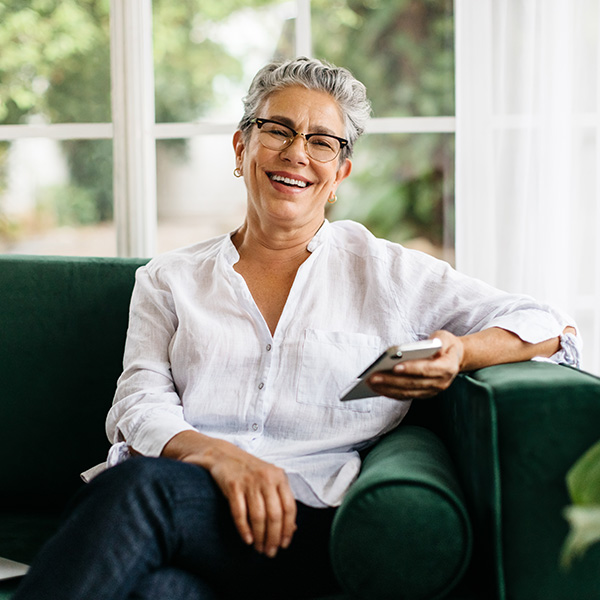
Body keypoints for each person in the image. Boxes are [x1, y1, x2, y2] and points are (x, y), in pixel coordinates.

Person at [14, 57, 580, 600]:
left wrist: (459, 352)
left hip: (298, 520)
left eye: (321, 141)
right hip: (186, 503)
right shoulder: (169, 278)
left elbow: (548, 323)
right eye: (278, 130)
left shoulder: (387, 272)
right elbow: (138, 402)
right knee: (161, 592)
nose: (297, 154)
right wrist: (218, 456)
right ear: (242, 147)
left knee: (139, 490)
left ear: (339, 173)